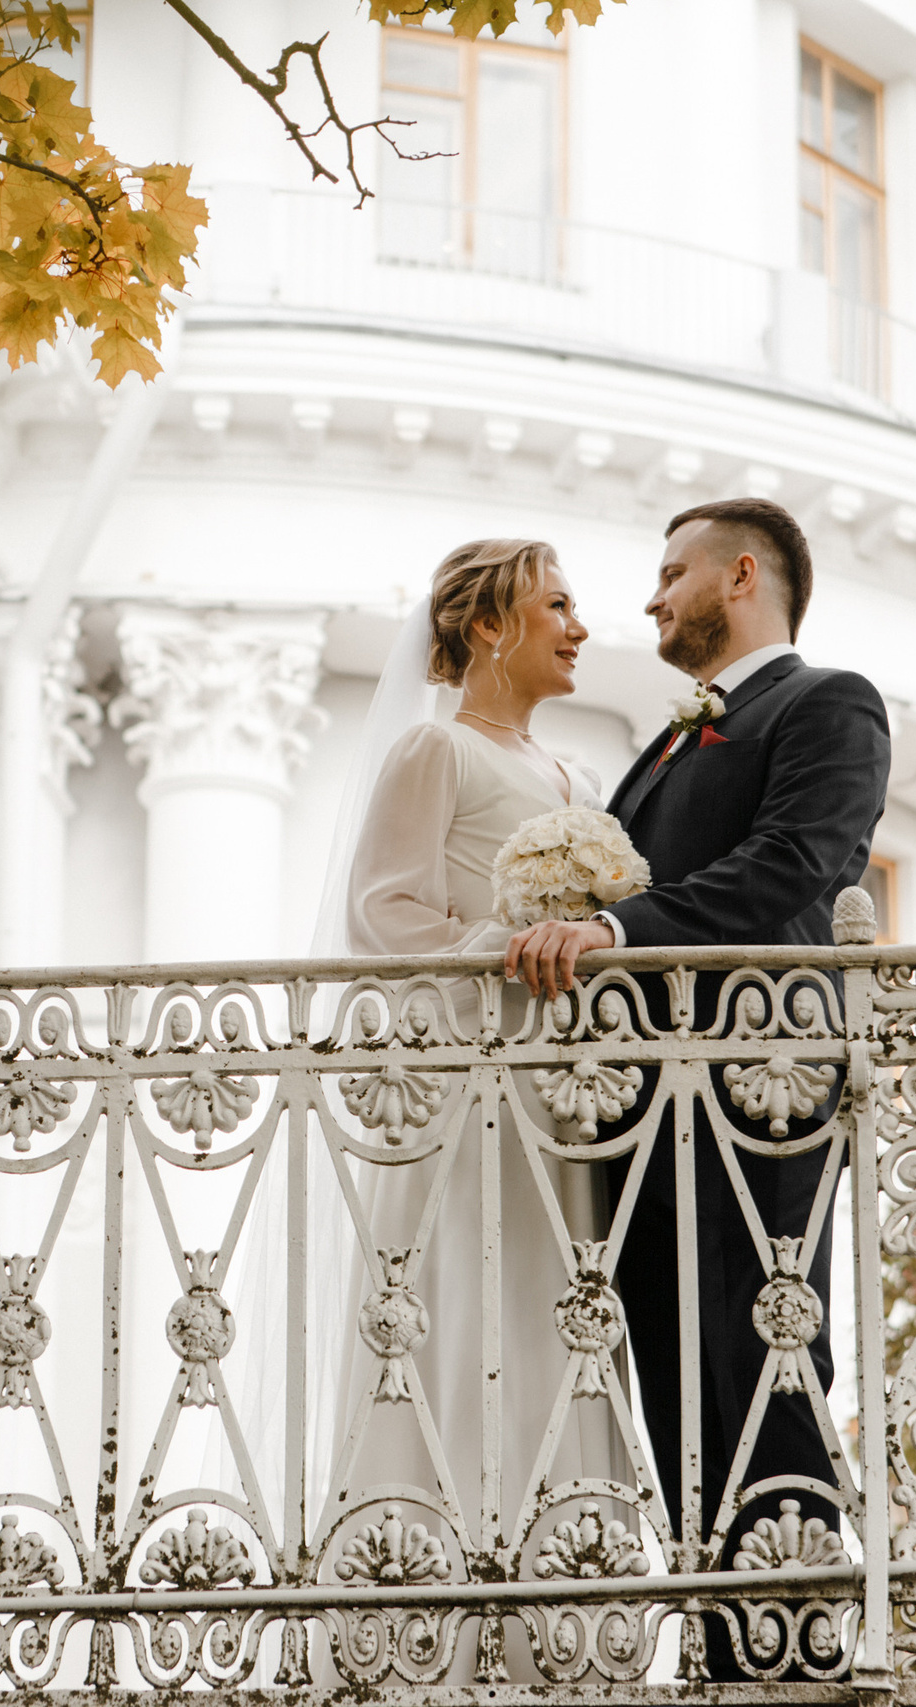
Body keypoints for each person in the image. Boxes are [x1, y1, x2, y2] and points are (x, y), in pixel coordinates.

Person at [502, 497, 890, 1674]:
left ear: (739, 576)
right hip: (643, 1106)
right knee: (668, 1375)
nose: (650, 597)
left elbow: (794, 865)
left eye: (670, 574)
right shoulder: (672, 737)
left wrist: (620, 929)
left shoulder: (826, 704)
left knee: (768, 1352)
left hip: (755, 1089)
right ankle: (723, 1650)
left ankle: (796, 1650)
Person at [311, 537, 638, 1671]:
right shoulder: (431, 749)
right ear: (490, 627)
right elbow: (381, 915)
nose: (580, 626)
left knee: (560, 1303)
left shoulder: (578, 783)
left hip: (567, 1097)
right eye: (558, 604)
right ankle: (432, 1609)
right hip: (469, 1082)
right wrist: (499, 945)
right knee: (463, 1292)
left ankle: (561, 1614)